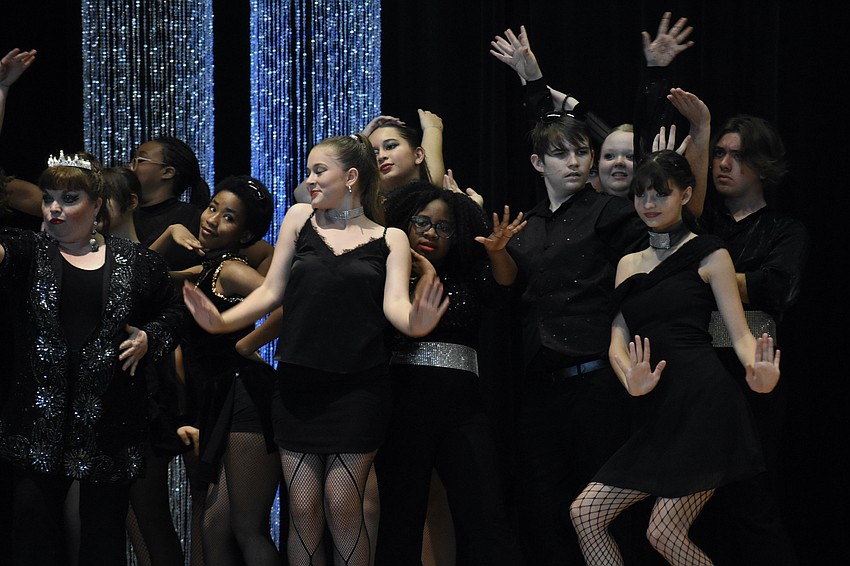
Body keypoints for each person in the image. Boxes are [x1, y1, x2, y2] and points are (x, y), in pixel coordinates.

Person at [182, 133, 449, 566]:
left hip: (359, 390)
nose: (310, 180)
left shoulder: (391, 238)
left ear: (352, 177)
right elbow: (272, 292)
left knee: (343, 508)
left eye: (318, 171)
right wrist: (224, 321)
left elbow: (397, 307)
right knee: (304, 511)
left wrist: (416, 322)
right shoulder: (299, 219)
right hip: (298, 387)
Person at [568, 149, 780, 565]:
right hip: (658, 406)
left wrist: (761, 373)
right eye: (641, 195)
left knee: (664, 531)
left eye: (660, 195)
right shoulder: (628, 263)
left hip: (705, 402)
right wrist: (630, 377)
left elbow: (738, 334)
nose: (648, 205)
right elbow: (616, 341)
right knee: (585, 513)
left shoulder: (710, 252)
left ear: (685, 195)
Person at [0, 151, 186, 566]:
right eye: (49, 198)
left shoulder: (136, 263)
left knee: (102, 537)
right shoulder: (27, 253)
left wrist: (148, 337)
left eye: (68, 199)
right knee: (31, 532)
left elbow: (175, 314)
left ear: (97, 205)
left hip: (109, 423)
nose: (54, 208)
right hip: (37, 425)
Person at [504, 109, 647, 565]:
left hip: (596, 380)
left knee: (602, 509)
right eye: (560, 153)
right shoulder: (524, 226)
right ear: (536, 163)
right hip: (538, 386)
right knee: (542, 509)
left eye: (582, 152)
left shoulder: (612, 211)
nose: (574, 162)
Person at [374, 181, 526, 565]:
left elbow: (504, 288)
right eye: (421, 222)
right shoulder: (389, 274)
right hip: (402, 404)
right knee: (400, 519)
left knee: (487, 513)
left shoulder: (467, 273)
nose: (430, 233)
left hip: (462, 408)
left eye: (443, 227)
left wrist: (498, 251)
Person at [686, 114, 808, 565]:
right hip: (697, 371)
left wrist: (712, 278)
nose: (723, 163)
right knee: (692, 508)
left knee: (752, 502)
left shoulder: (785, 230)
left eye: (737, 155)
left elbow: (778, 286)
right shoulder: (701, 223)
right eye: (719, 152)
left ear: (762, 165)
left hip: (753, 373)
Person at [153, 175, 282, 565]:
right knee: (213, 526)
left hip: (247, 398)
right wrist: (169, 233)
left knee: (245, 527)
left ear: (244, 235)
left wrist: (247, 343)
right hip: (220, 397)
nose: (211, 219)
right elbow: (143, 272)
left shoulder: (229, 269)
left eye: (228, 218)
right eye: (212, 208)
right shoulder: (205, 269)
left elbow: (285, 303)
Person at [490, 13, 696, 199]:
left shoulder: (646, 211)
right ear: (594, 163)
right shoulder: (581, 205)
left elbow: (649, 132)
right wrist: (535, 81)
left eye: (631, 156)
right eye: (609, 155)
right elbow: (549, 139)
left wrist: (657, 74)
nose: (619, 162)